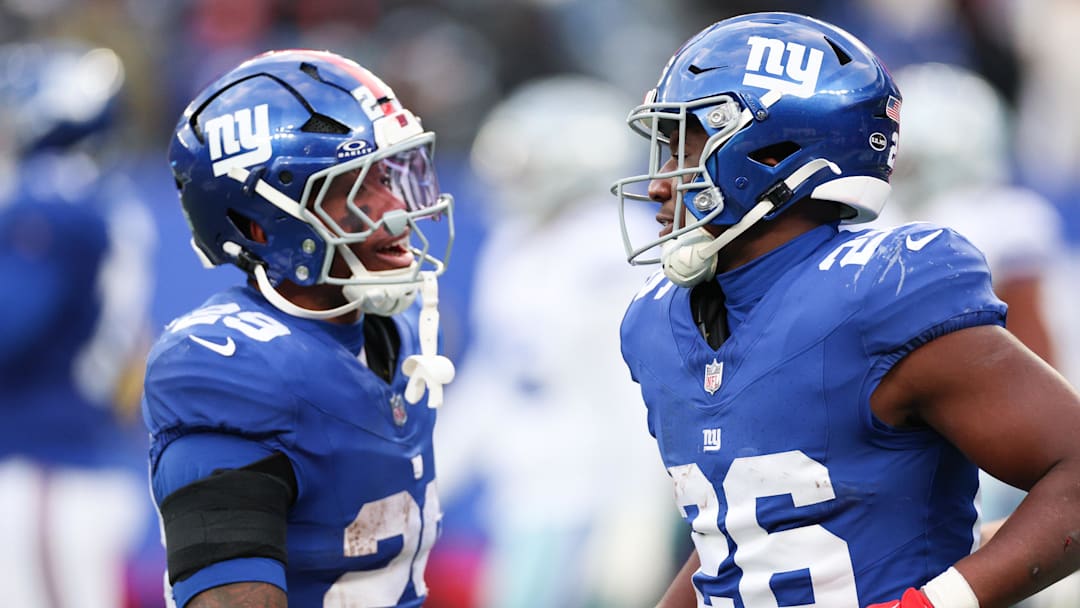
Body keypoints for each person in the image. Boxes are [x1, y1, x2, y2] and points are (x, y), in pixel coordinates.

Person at [609, 12, 1080, 608]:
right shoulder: (657, 321)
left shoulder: (881, 288)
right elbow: (737, 541)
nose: (660, 182)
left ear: (771, 150)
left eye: (688, 144)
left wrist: (936, 603)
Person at [142, 49, 456, 608]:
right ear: (262, 224)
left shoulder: (395, 332)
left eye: (388, 174)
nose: (395, 209)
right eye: (356, 188)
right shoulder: (225, 365)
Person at [429, 74, 679, 608]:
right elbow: (498, 375)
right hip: (526, 492)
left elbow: (640, 390)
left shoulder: (616, 242)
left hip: (595, 491)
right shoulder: (514, 242)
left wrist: (640, 509)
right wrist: (430, 479)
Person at [0, 40, 164, 608]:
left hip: (45, 467)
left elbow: (9, 326)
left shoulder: (48, 201)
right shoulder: (96, 197)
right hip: (72, 455)